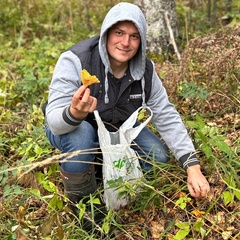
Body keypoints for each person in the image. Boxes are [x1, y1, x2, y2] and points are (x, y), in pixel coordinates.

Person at [44, 2, 210, 215]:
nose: (125, 42)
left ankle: (122, 193)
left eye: (134, 36)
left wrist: (192, 167)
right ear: (106, 33)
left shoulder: (145, 71)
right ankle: (86, 211)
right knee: (81, 138)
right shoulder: (76, 60)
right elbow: (55, 124)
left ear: (141, 41)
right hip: (74, 127)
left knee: (158, 156)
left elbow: (166, 115)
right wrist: (75, 112)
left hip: (116, 126)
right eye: (119, 33)